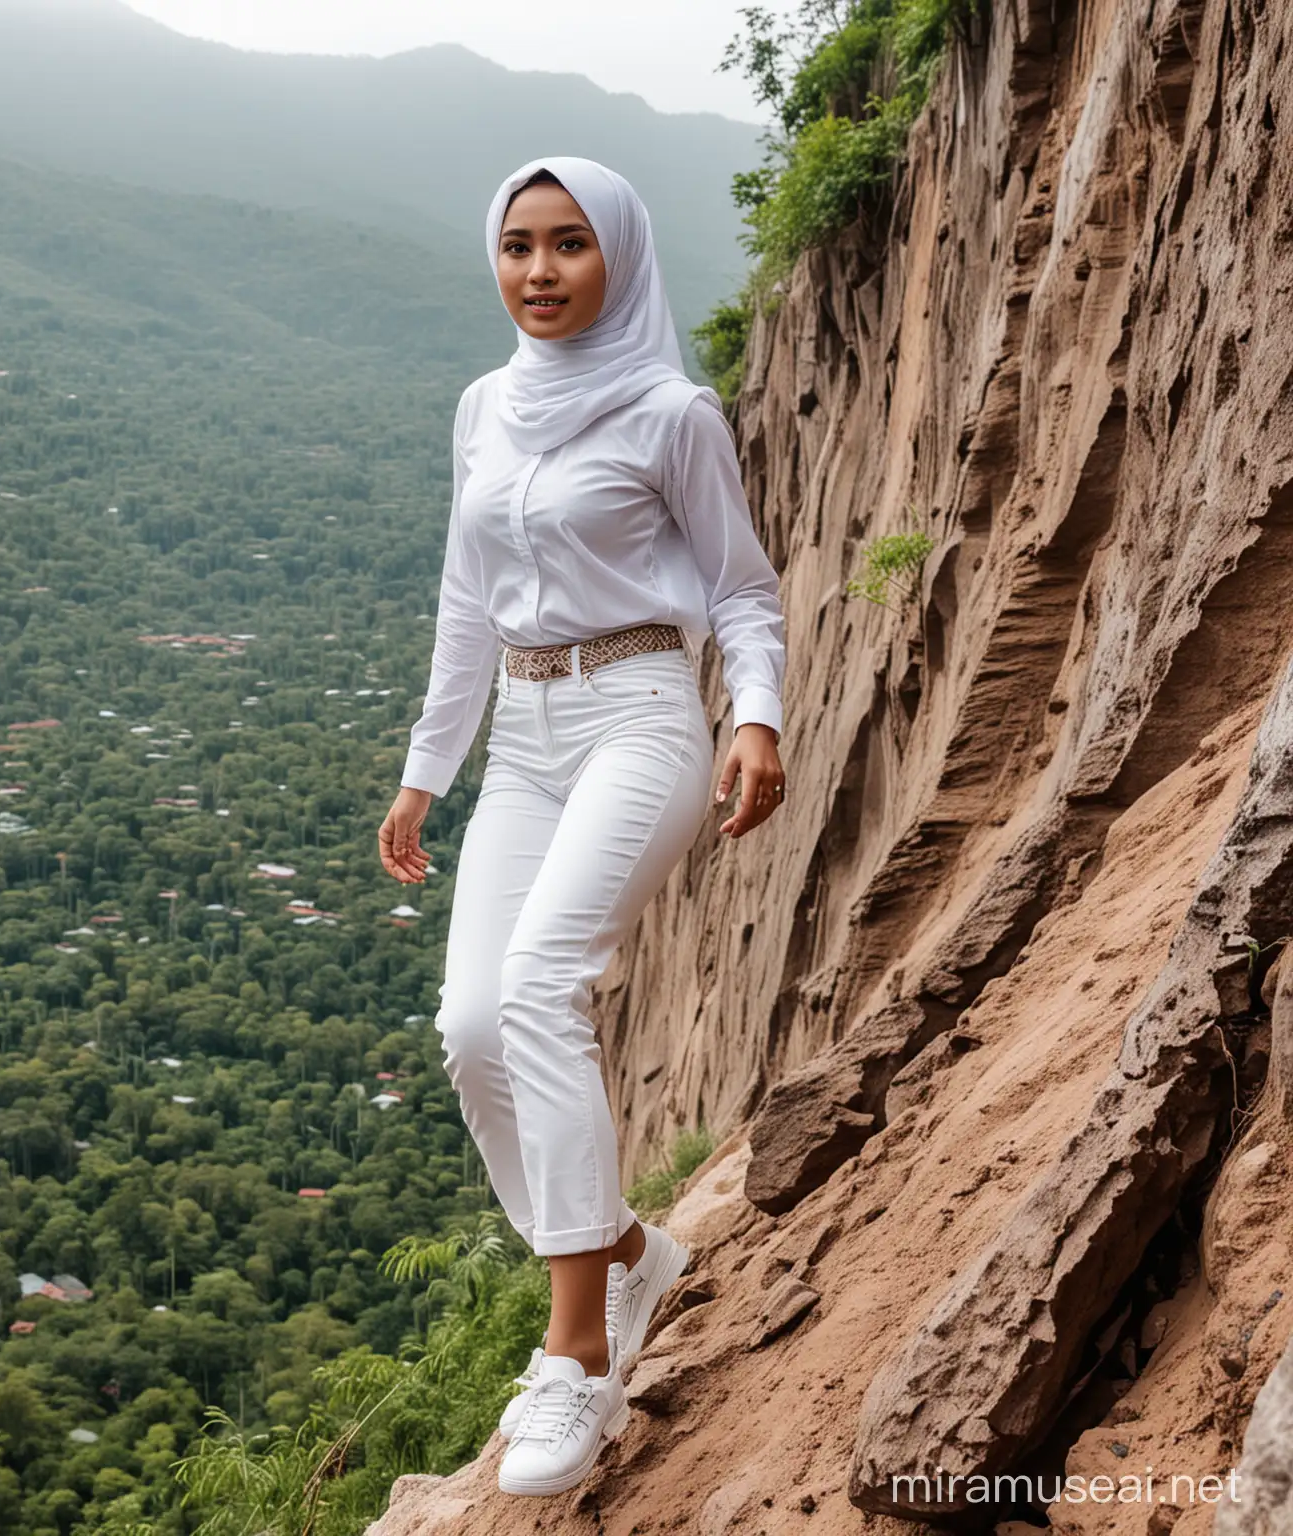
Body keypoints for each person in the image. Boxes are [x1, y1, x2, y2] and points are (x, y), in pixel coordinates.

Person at [377, 154, 788, 1497]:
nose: (540, 270)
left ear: (617, 255)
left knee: (546, 985)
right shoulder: (483, 407)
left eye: (569, 245)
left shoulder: (672, 411)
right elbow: (462, 592)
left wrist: (757, 715)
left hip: (640, 712)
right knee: (471, 1024)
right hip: (524, 730)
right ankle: (621, 1251)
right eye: (517, 245)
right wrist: (427, 768)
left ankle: (577, 1355)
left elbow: (741, 586)